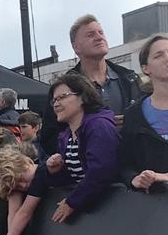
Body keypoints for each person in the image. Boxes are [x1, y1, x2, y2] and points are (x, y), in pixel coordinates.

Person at [4, 72, 119, 235]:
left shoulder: (98, 126)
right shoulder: (65, 136)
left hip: (112, 210)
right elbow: (73, 175)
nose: (56, 104)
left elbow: (101, 170)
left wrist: (72, 202)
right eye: (54, 100)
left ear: (82, 97)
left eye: (62, 97)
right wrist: (54, 171)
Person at [39, 15, 139, 155]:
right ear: (76, 47)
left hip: (129, 163)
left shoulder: (130, 79)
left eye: (101, 32)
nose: (99, 37)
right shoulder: (63, 88)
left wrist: (129, 123)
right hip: (87, 164)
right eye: (90, 35)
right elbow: (49, 137)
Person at [122, 33, 168, 192]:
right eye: (158, 55)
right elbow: (123, 161)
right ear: (145, 68)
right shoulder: (134, 114)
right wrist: (133, 178)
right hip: (155, 197)